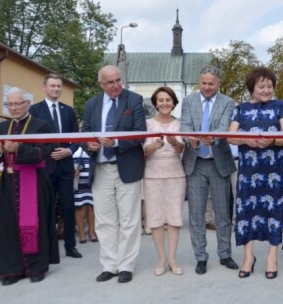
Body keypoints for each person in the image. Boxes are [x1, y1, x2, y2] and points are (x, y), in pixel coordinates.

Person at [0, 87, 60, 285]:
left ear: (27, 104)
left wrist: (19, 148)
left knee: (36, 223)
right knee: (8, 225)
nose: (13, 108)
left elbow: (44, 153)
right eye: (9, 104)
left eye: (17, 103)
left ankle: (36, 267)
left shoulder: (41, 125)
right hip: (8, 182)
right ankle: (13, 269)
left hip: (34, 179)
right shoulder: (2, 127)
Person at [82, 65, 146, 283]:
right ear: (101, 84)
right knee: (105, 221)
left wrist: (116, 142)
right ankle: (109, 265)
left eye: (118, 80)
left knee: (129, 220)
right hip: (100, 168)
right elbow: (85, 133)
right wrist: (88, 144)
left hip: (127, 167)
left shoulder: (134, 100)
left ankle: (126, 265)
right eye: (110, 82)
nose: (116, 85)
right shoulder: (91, 104)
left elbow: (140, 134)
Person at [228, 67, 283, 279]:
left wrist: (272, 140)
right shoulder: (241, 109)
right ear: (252, 88)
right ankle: (248, 256)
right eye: (261, 86)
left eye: (269, 86)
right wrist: (246, 139)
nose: (266, 90)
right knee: (246, 212)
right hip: (249, 170)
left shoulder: (280, 106)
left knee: (274, 211)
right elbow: (230, 137)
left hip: (274, 168)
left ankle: (272, 257)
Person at [180, 66, 238, 275]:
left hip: (218, 163)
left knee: (223, 214)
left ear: (218, 84)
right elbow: (185, 126)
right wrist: (191, 140)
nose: (206, 87)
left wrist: (211, 137)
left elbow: (224, 127)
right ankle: (201, 257)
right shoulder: (188, 101)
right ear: (199, 82)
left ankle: (225, 254)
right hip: (195, 163)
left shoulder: (228, 102)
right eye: (203, 83)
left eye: (210, 84)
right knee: (196, 215)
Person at [29, 73, 82, 259]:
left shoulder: (68, 111)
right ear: (44, 87)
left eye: (59, 86)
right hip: (45, 166)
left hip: (66, 166)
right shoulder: (34, 110)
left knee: (68, 207)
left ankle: (70, 246)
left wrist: (69, 151)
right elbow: (32, 139)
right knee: (46, 208)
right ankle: (47, 247)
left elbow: (77, 138)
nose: (56, 89)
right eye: (53, 86)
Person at [142, 87, 186, 276]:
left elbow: (181, 148)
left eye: (168, 100)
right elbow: (144, 150)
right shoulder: (147, 124)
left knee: (174, 218)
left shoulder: (180, 124)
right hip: (153, 174)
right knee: (156, 218)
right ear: (155, 103)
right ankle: (161, 258)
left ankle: (172, 258)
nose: (165, 103)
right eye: (160, 100)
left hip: (175, 173)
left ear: (174, 102)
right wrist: (151, 147)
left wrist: (175, 143)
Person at [72, 147, 97, 243]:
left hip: (92, 175)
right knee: (80, 205)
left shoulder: (92, 136)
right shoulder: (73, 138)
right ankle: (81, 234)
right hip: (77, 176)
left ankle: (92, 232)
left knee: (92, 205)